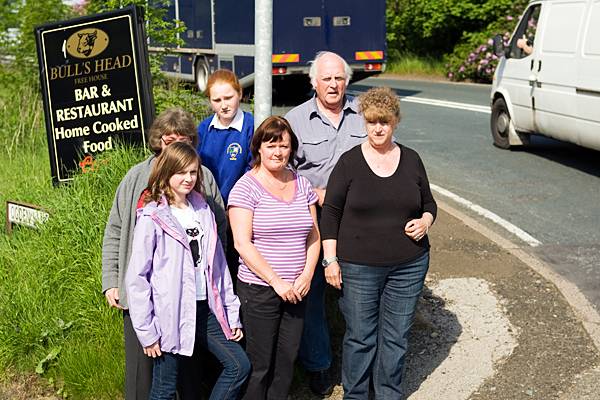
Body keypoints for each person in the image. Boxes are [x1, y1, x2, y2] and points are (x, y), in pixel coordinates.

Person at [101, 107, 227, 400]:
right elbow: (116, 228)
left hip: (186, 296)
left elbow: (218, 227)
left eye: (182, 139)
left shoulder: (202, 177)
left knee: (188, 372)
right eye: (168, 139)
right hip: (141, 292)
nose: (174, 146)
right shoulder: (136, 176)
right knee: (142, 372)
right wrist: (111, 279)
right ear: (158, 140)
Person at [320, 87, 437, 399]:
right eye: (372, 122)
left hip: (408, 265)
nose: (378, 128)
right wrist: (330, 260)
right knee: (361, 336)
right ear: (364, 122)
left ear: (395, 122)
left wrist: (425, 222)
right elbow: (330, 212)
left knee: (396, 336)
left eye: (384, 122)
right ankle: (356, 395)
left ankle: (388, 393)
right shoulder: (349, 163)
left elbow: (429, 204)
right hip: (358, 267)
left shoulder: (411, 159)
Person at [125, 142, 250, 400]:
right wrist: (147, 332)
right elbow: (138, 278)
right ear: (167, 172)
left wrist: (231, 313)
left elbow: (218, 268)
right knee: (165, 389)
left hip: (206, 309)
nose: (188, 178)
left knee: (239, 366)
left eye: (193, 172)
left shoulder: (202, 210)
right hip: (169, 315)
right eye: (181, 172)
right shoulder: (152, 216)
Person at [284, 51, 367, 395]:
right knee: (312, 296)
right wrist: (309, 191)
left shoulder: (365, 113)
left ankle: (359, 368)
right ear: (313, 82)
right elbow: (283, 170)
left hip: (360, 221)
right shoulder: (296, 119)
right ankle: (319, 366)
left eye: (339, 78)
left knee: (359, 297)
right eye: (326, 79)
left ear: (347, 80)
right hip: (314, 221)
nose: (333, 85)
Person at [228, 116, 321, 399]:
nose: (278, 152)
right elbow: (242, 244)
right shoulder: (246, 188)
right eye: (271, 145)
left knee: (286, 361)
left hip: (297, 289)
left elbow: (313, 236)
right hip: (260, 291)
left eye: (284, 145)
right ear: (258, 148)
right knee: (260, 364)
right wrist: (276, 281)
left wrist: (306, 275)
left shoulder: (302, 184)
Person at [197, 69, 254, 205]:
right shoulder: (204, 129)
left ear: (240, 93)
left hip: (241, 205)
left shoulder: (251, 126)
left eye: (228, 98)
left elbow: (254, 170)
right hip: (208, 203)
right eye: (217, 100)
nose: (223, 106)